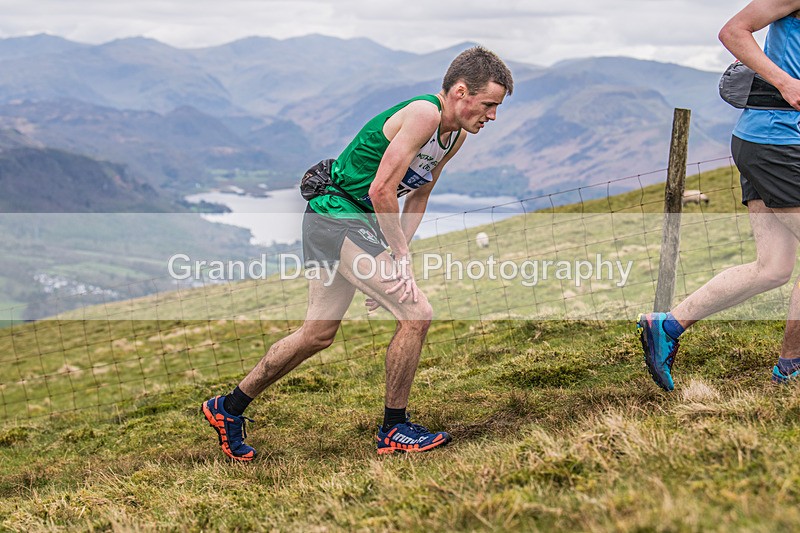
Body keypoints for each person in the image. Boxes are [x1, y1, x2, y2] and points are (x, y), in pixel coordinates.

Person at [201, 46, 514, 459]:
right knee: (416, 313)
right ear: (460, 92)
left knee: (316, 334)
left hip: (347, 221)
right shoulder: (425, 114)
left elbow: (417, 196)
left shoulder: (453, 136)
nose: (493, 116)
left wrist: (394, 256)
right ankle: (394, 429)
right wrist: (397, 259)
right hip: (336, 214)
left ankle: (227, 407)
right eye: (489, 104)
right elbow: (381, 190)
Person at [638, 0, 800, 391]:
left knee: (773, 268)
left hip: (768, 141)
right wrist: (785, 82)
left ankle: (666, 327)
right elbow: (733, 31)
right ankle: (791, 367)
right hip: (776, 141)